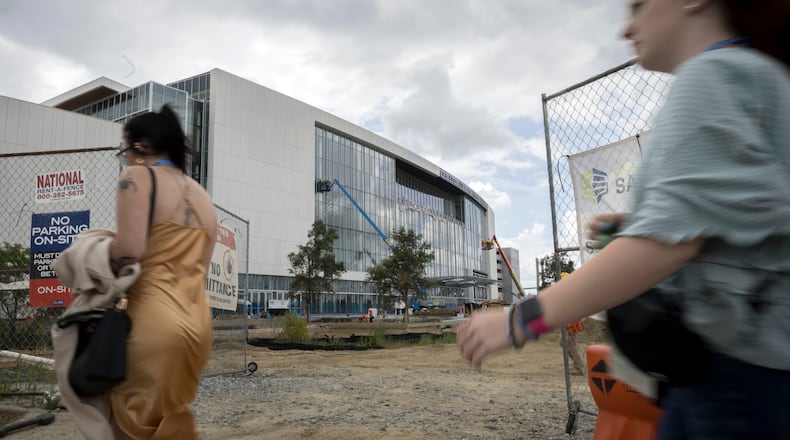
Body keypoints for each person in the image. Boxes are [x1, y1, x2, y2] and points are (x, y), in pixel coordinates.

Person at [457, 1, 790, 438]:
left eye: (639, 5)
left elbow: (663, 246)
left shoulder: (711, 79)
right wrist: (639, 221)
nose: (627, 28)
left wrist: (521, 320)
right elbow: (744, 218)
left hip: (731, 382)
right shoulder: (763, 76)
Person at [109, 104, 218, 439]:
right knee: (170, 423)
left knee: (132, 423)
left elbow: (129, 250)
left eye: (123, 151)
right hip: (198, 326)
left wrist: (98, 250)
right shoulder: (202, 197)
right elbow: (199, 270)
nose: (124, 159)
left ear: (139, 147)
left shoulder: (137, 177)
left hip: (153, 321)